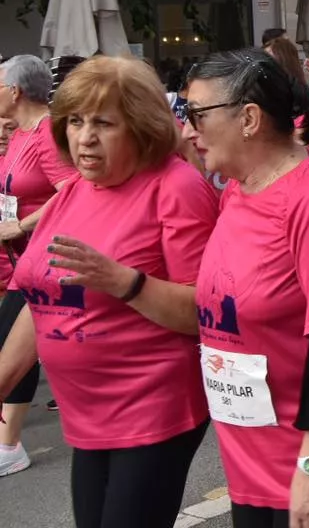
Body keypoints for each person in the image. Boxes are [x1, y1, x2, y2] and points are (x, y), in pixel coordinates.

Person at [0, 56, 219, 527]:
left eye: (103, 123)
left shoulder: (176, 187)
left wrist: (125, 282)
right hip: (85, 412)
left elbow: (209, 312)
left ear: (140, 127)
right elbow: (38, 304)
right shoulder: (75, 190)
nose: (85, 137)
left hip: (152, 407)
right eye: (75, 121)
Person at [184, 51, 309, 527]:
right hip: (249, 453)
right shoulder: (239, 188)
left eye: (196, 114)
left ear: (249, 118)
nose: (188, 129)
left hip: (307, 459)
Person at [0, 55, 77, 476]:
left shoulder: (48, 131)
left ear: (15, 91)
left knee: (14, 342)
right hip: (19, 256)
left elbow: (70, 190)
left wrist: (21, 224)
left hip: (44, 255)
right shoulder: (19, 134)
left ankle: (9, 444)